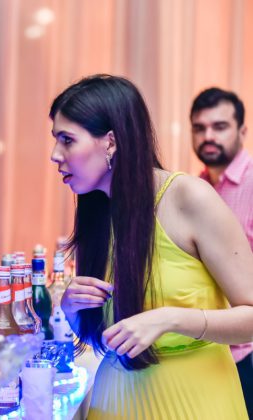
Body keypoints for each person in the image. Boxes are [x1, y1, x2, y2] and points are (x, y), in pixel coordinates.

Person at [51, 75, 252, 418]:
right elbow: (106, 338)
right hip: (116, 399)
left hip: (193, 399)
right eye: (56, 139)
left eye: (67, 140)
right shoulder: (98, 211)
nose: (55, 155)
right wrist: (73, 310)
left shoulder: (189, 197)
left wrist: (171, 319)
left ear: (110, 142)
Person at [190, 87, 253, 417]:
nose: (208, 136)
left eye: (220, 126)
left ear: (242, 130)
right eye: (199, 128)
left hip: (246, 353)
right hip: (206, 350)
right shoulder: (196, 187)